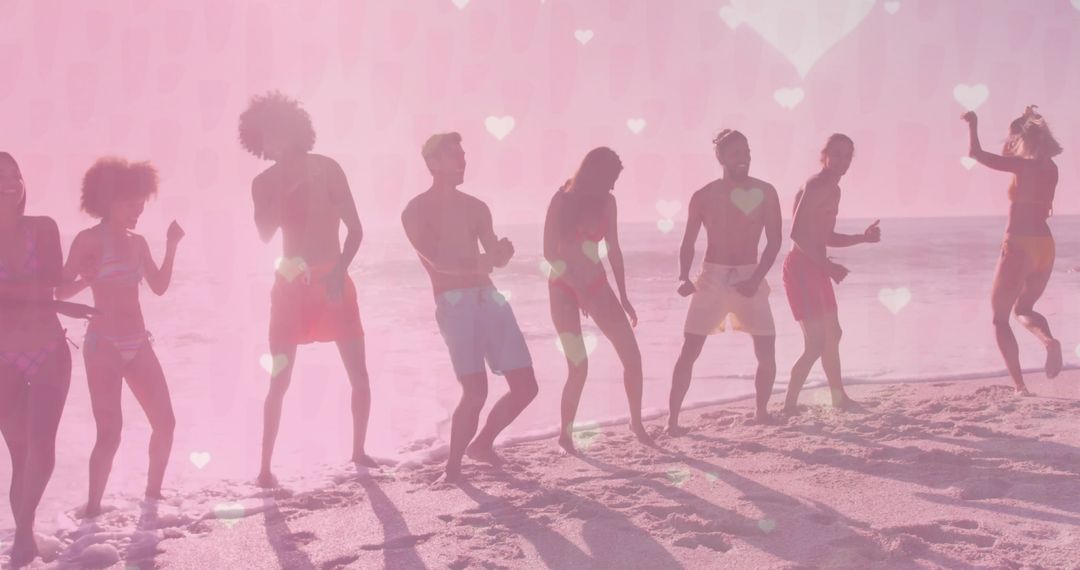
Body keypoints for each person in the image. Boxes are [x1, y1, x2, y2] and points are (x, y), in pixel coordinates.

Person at [239, 91, 374, 487]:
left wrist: (338, 273)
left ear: (293, 129)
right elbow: (265, 236)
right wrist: (281, 196)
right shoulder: (262, 182)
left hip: (333, 277)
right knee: (279, 381)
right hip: (289, 285)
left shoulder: (327, 168)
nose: (270, 142)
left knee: (359, 375)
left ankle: (359, 453)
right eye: (262, 137)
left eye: (274, 131)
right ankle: (265, 469)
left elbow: (356, 230)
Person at [402, 132, 538, 483]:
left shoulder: (477, 207)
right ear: (432, 163)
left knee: (527, 387)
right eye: (452, 156)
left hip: (489, 297)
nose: (462, 161)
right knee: (475, 391)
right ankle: (452, 469)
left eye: (463, 155)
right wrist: (485, 260)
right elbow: (439, 263)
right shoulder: (416, 210)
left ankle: (483, 444)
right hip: (454, 303)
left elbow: (492, 257)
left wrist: (501, 254)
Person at [56, 158, 183, 518]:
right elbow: (61, 293)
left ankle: (152, 499)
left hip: (138, 342)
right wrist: (85, 279)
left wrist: (172, 245)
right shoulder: (87, 240)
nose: (138, 210)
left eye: (142, 203)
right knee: (110, 432)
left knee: (166, 423)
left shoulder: (139, 242)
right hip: (103, 346)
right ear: (109, 200)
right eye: (132, 204)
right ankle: (93, 509)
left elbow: (158, 287)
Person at [0, 152, 92, 567]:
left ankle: (22, 534)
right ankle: (23, 535)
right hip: (3, 357)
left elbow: (54, 287)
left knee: (43, 449)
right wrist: (43, 301)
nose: (10, 183)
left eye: (15, 176)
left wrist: (89, 279)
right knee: (20, 454)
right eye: (1, 177)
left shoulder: (44, 228)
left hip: (49, 351)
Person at [668, 130, 782, 430]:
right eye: (736, 153)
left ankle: (761, 412)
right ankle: (673, 420)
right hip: (713, 276)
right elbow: (688, 242)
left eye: (747, 151)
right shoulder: (704, 195)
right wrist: (683, 275)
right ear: (721, 158)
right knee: (690, 349)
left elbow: (774, 241)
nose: (744, 158)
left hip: (750, 274)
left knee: (767, 347)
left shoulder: (766, 192)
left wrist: (756, 279)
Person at [544, 147, 652, 453]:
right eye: (611, 178)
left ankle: (636, 423)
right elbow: (550, 253)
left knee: (632, 357)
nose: (614, 186)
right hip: (563, 287)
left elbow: (613, 249)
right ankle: (565, 434)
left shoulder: (608, 202)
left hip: (597, 285)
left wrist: (624, 295)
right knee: (579, 366)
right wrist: (578, 292)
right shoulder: (561, 199)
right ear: (594, 173)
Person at [962, 106, 1064, 394]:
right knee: (1025, 308)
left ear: (1023, 139)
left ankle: (1020, 386)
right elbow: (1011, 154)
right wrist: (1023, 123)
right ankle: (1049, 341)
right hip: (1045, 244)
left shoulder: (1024, 167)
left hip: (1019, 243)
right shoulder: (1050, 169)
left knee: (999, 318)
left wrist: (973, 125)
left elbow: (977, 155)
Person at [781, 134, 881, 414]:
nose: (842, 160)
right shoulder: (815, 184)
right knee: (815, 344)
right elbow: (797, 233)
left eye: (847, 155)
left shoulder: (835, 190)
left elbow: (825, 237)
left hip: (816, 267)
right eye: (836, 154)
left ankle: (838, 397)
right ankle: (789, 405)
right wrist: (829, 267)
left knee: (833, 333)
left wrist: (863, 238)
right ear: (824, 155)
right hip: (801, 268)